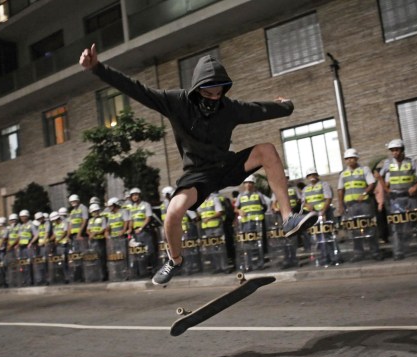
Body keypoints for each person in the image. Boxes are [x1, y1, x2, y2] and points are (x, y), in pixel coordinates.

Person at [80, 45, 318, 284]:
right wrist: (98, 69)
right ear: (197, 90)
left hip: (226, 165)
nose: (214, 99)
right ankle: (174, 260)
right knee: (172, 213)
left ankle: (288, 219)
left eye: (218, 94)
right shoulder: (176, 102)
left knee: (266, 150)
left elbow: (260, 109)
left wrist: (287, 105)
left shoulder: (229, 108)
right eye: (208, 94)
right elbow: (137, 89)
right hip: (197, 175)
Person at [377, 139, 417, 260]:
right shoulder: (388, 163)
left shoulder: (411, 162)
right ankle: (398, 252)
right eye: (392, 151)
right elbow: (379, 175)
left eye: (397, 150)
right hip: (396, 198)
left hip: (411, 196)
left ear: (402, 150)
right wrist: (386, 189)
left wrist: (415, 186)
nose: (395, 153)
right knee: (397, 226)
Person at [337, 148, 382, 262]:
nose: (350, 161)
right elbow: (340, 190)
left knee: (370, 228)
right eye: (347, 159)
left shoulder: (364, 169)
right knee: (354, 230)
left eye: (352, 158)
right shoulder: (343, 174)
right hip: (350, 206)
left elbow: (371, 184)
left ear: (356, 158)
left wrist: (364, 193)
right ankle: (358, 253)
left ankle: (375, 252)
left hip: (364, 204)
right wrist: (341, 205)